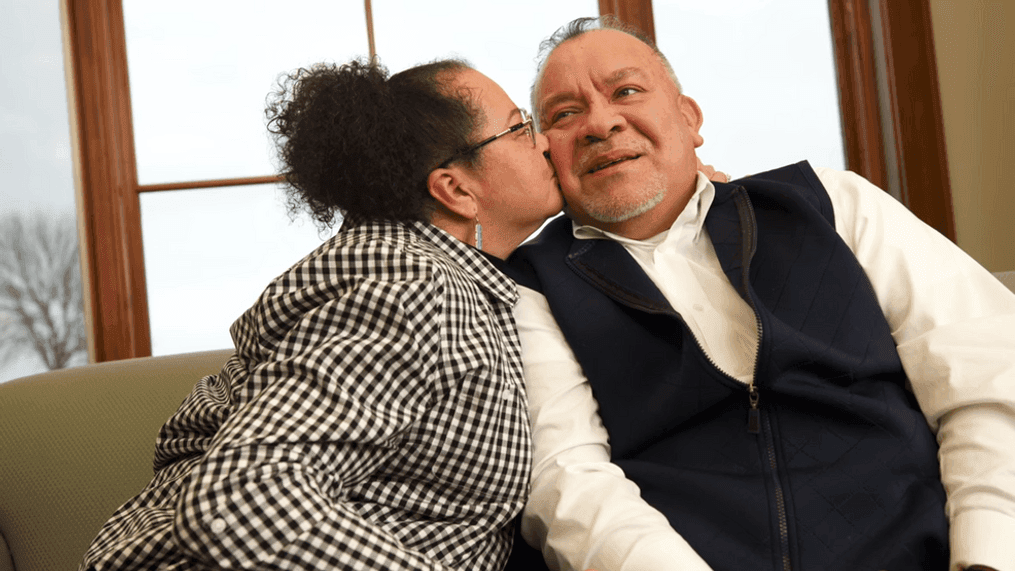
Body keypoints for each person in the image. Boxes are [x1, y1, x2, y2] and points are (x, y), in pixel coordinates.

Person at [508, 16, 1015, 571]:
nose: (600, 124)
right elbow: (571, 480)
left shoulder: (830, 203)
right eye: (564, 114)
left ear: (688, 118)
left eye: (626, 91)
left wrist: (987, 555)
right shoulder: (532, 286)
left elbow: (987, 377)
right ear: (545, 153)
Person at [79, 57, 562, 570]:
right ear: (456, 189)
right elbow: (242, 498)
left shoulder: (447, 283)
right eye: (519, 129)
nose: (546, 142)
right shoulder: (410, 292)